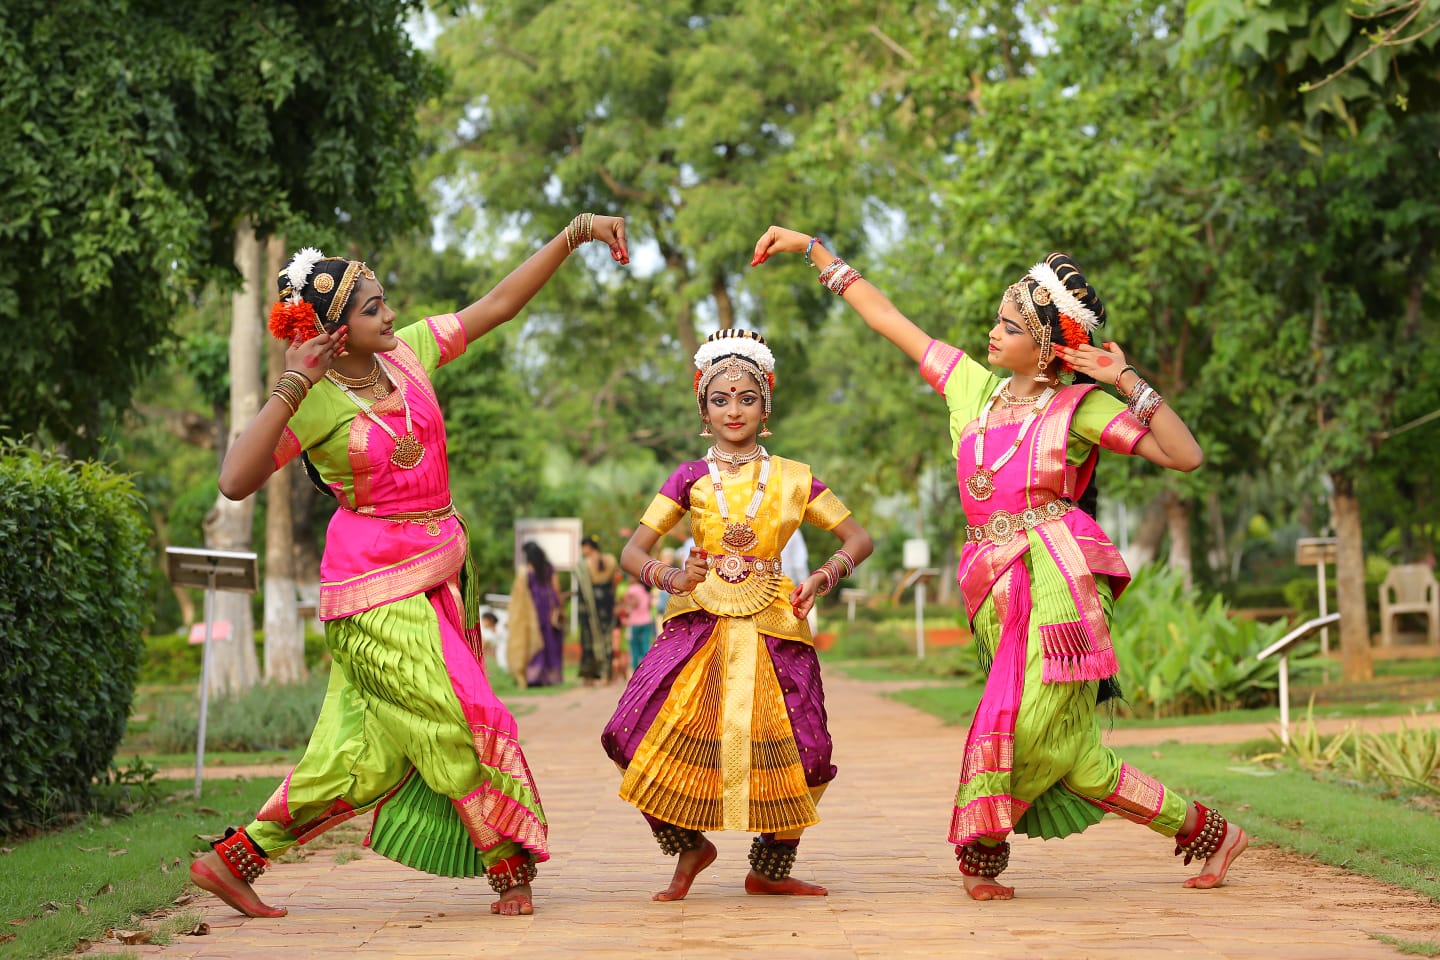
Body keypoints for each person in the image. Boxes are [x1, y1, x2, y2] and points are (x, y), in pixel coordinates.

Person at [751, 227, 1248, 901]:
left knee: (1027, 726)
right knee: (1080, 762)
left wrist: (1125, 379)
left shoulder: (1080, 407)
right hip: (991, 582)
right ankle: (1212, 833)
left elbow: (1184, 456)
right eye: (997, 319)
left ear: (1045, 347)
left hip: (1060, 579)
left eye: (1010, 326)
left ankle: (981, 846)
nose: (993, 332)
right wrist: (815, 250)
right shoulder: (970, 388)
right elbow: (887, 318)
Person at [191, 212, 630, 920]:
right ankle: (507, 863)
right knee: (464, 712)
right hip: (371, 591)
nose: (390, 315)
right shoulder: (314, 401)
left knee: (364, 758)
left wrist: (574, 234)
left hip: (439, 574)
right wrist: (292, 384)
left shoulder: (409, 354)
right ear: (335, 331)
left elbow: (498, 305)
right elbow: (235, 479)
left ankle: (234, 858)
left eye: (385, 301)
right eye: (373, 309)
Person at [601, 329, 874, 901]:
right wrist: (671, 577)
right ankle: (688, 845)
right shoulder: (688, 478)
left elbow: (858, 538)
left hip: (776, 622)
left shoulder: (795, 479)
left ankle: (770, 868)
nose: (733, 410)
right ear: (703, 408)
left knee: (808, 753)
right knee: (631, 732)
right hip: (698, 621)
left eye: (746, 398)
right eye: (720, 399)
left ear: (765, 407)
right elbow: (632, 551)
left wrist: (824, 576)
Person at [507, 541, 564, 687]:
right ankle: (550, 677)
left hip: (532, 608)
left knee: (533, 639)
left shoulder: (525, 570)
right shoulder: (548, 567)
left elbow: (519, 592)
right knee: (549, 640)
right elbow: (556, 587)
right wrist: (559, 606)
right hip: (549, 605)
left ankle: (534, 677)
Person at [576, 535, 619, 685]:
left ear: (588, 547)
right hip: (607, 602)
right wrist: (614, 602)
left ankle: (590, 677)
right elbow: (615, 583)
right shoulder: (611, 560)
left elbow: (583, 589)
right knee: (607, 637)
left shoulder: (583, 564)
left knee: (589, 638)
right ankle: (606, 675)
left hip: (591, 606)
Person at [623, 577, 655, 671]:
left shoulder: (632, 589)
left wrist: (626, 602)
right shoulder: (646, 588)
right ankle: (646, 668)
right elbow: (650, 605)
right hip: (647, 620)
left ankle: (636, 670)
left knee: (634, 647)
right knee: (645, 645)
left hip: (635, 622)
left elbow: (634, 603)